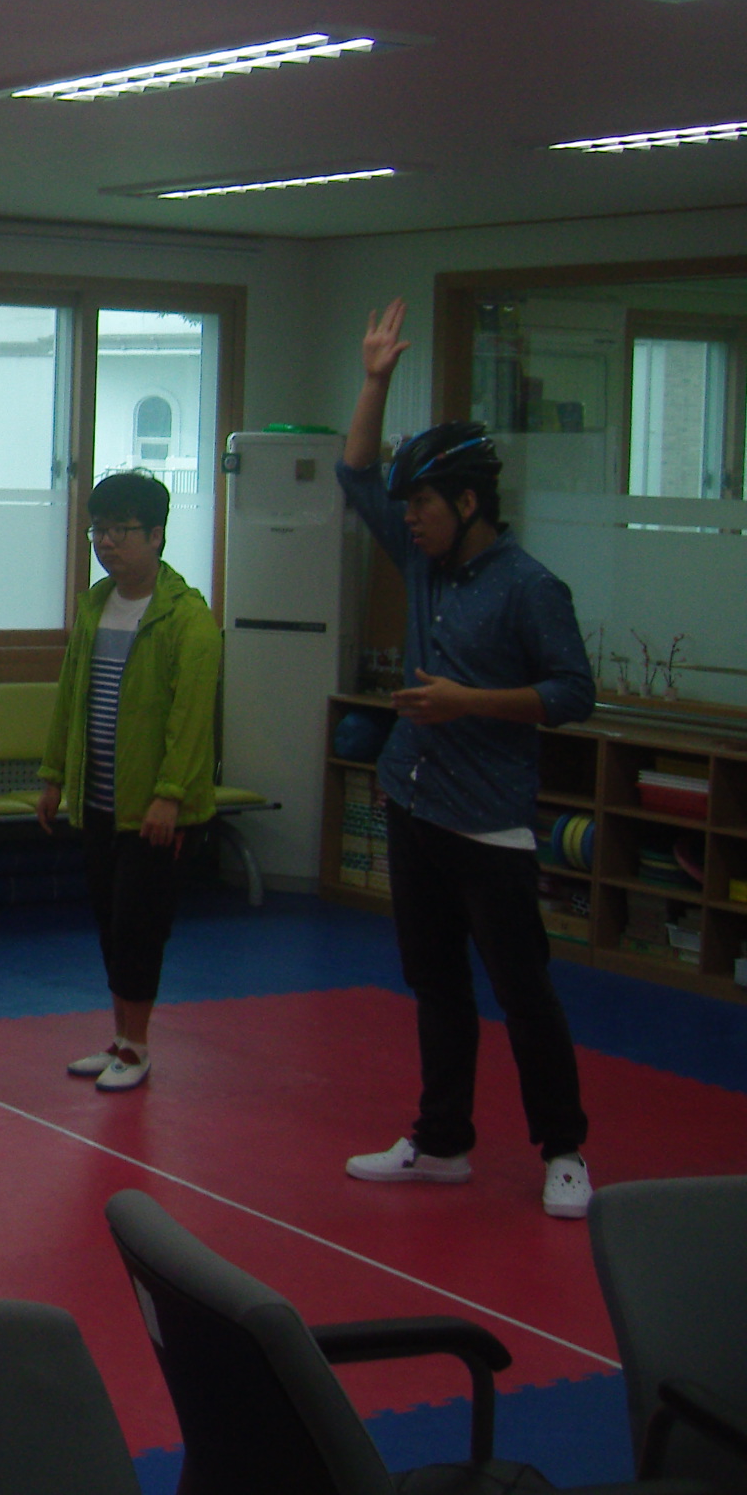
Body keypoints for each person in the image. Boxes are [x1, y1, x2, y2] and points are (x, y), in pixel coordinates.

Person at [337, 298, 598, 1220]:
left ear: (469, 503)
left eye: (423, 504)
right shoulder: (422, 565)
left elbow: (572, 693)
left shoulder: (531, 588)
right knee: (435, 983)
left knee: (524, 992)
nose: (407, 517)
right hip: (414, 805)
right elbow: (354, 472)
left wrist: (468, 702)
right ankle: (442, 1140)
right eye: (407, 505)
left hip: (490, 822)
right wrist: (374, 381)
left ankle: (564, 1149)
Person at [34, 469, 222, 1092]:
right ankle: (120, 1039)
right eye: (99, 530)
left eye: (121, 530)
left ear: (157, 535)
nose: (107, 543)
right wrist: (54, 775)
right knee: (110, 921)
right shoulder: (95, 605)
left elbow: (191, 720)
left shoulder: (187, 618)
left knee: (140, 926)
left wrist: (171, 795)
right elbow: (71, 696)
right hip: (98, 798)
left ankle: (138, 1049)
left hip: (156, 810)